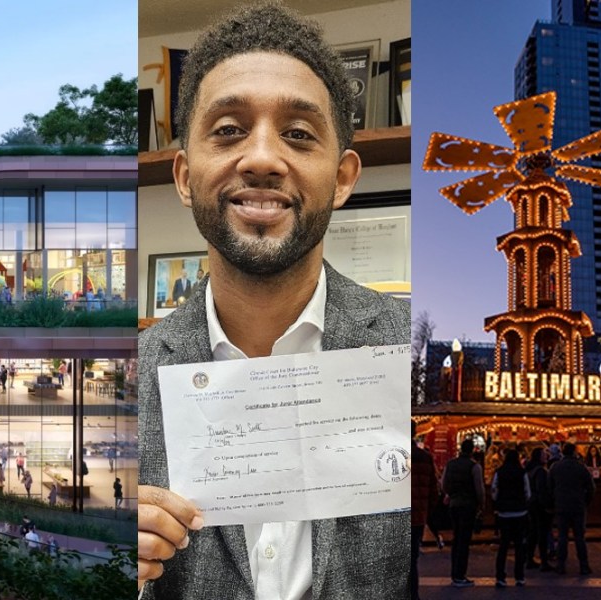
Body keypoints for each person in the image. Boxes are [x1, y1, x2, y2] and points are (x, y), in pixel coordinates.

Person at [138, 3, 409, 597]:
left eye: (298, 134)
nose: (261, 158)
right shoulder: (121, 380)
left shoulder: (408, 354)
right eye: (229, 129)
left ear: (341, 178)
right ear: (184, 175)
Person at [442, 439, 485, 587]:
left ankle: (455, 573)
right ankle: (460, 574)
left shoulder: (450, 464)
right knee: (464, 540)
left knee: (456, 538)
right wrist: (481, 505)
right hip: (468, 505)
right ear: (472, 450)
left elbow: (444, 483)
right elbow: (479, 488)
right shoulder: (474, 467)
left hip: (454, 505)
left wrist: (450, 494)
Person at [548, 442, 595, 575]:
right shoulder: (581, 467)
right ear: (574, 452)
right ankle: (584, 565)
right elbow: (591, 488)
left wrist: (554, 500)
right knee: (579, 537)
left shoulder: (555, 467)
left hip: (561, 505)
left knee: (562, 536)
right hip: (578, 505)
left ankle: (561, 565)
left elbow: (549, 486)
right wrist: (585, 501)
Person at [491, 448, 531, 587]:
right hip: (520, 512)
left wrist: (498, 501)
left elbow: (494, 490)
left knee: (504, 545)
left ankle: (500, 577)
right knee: (520, 546)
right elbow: (527, 492)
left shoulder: (499, 472)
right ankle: (519, 576)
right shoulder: (522, 472)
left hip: (504, 513)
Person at [411, 421, 438, 600]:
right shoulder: (425, 457)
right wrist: (426, 512)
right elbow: (433, 490)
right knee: (412, 560)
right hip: (417, 517)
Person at [525, 447, 553, 571]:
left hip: (531, 503)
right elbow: (542, 490)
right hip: (539, 505)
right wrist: (547, 505)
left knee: (533, 532)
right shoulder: (541, 471)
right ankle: (544, 561)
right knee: (542, 532)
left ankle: (529, 558)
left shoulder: (529, 470)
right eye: (543, 454)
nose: (546, 456)